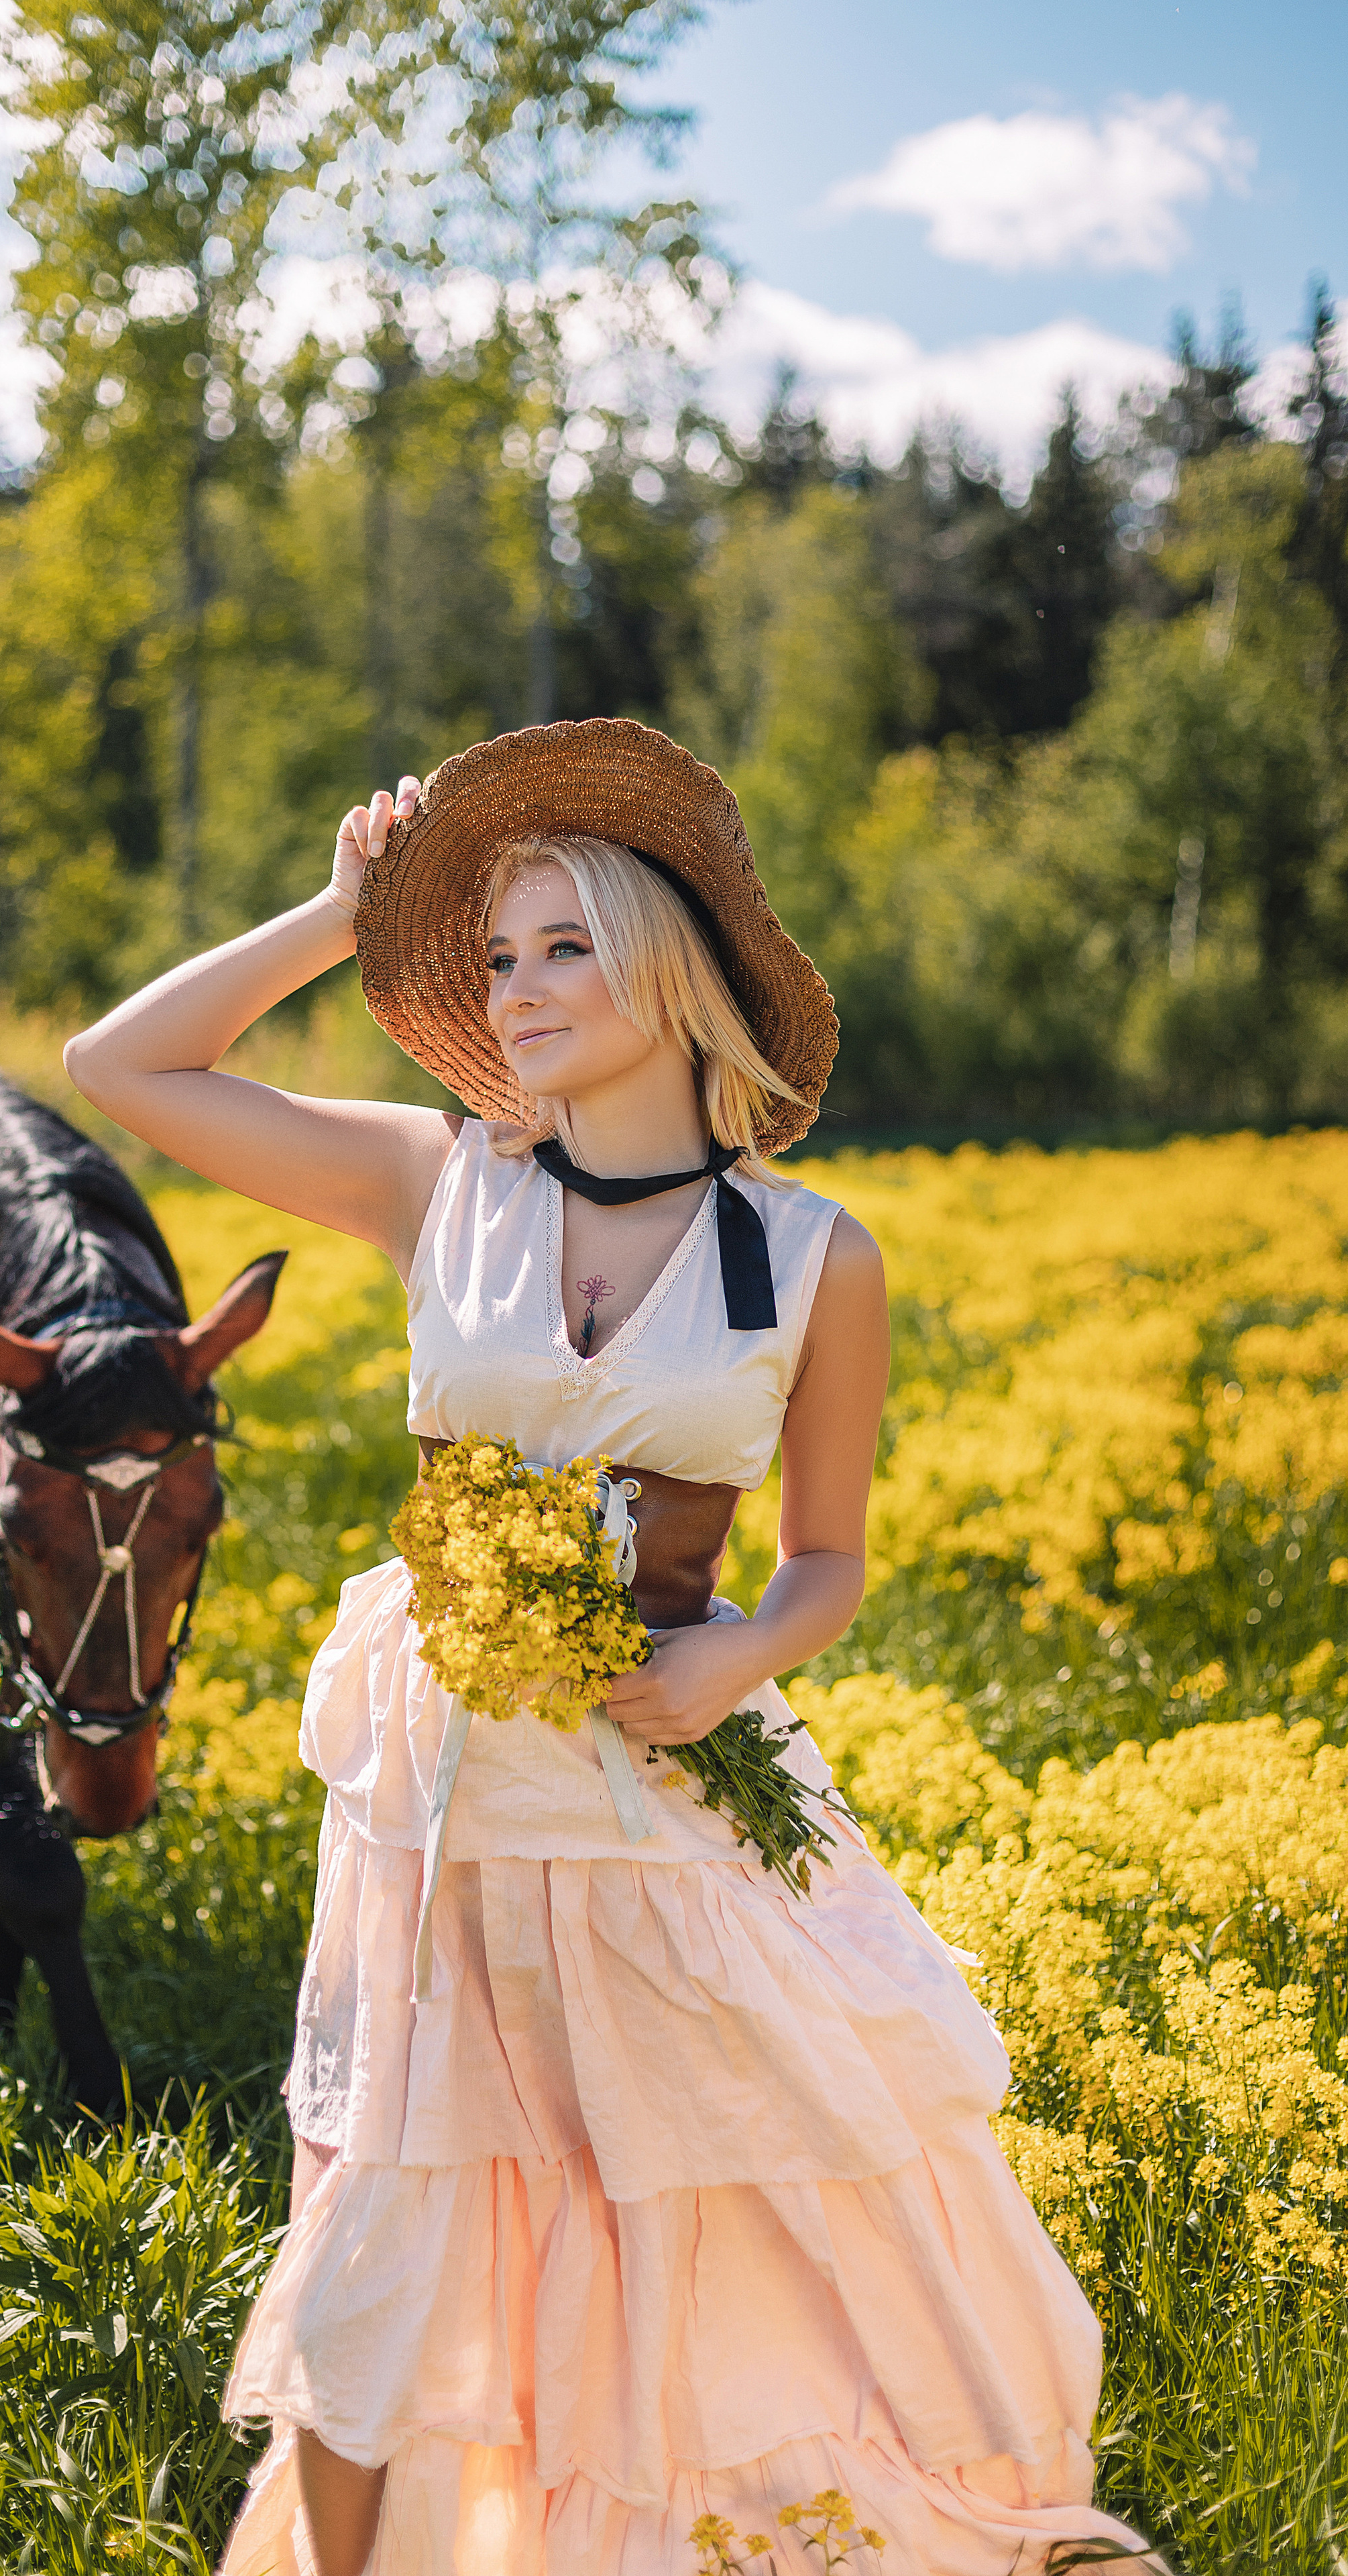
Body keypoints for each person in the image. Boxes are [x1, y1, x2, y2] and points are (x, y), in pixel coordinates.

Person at [65, 720, 1148, 2576]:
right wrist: (339, 916)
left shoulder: (814, 1258)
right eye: (498, 955)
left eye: (566, 945)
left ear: (669, 963)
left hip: (663, 1772)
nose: (522, 988)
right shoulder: (441, 1184)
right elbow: (121, 1064)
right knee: (391, 2201)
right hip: (438, 1779)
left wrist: (734, 1663)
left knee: (724, 2182)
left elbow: (825, 1563)